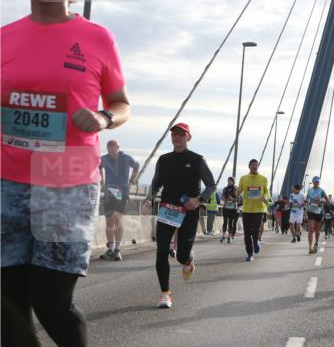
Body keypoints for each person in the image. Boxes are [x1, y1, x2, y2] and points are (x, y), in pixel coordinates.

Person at [1, 0, 130, 347]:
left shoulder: (96, 38)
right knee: (7, 304)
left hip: (68, 182)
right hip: (8, 182)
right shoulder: (5, 37)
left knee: (49, 300)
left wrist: (100, 116)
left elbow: (120, 103)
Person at [143, 123, 215, 308]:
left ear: (188, 137)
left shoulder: (197, 159)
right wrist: (149, 199)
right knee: (161, 251)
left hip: (189, 211)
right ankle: (165, 294)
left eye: (181, 134)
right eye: (174, 134)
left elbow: (211, 185)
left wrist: (198, 200)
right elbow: (155, 183)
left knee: (181, 256)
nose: (177, 137)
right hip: (168, 209)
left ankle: (188, 260)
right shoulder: (164, 159)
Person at [99, 139, 139, 261]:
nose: (110, 148)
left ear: (118, 147)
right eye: (108, 146)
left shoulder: (127, 158)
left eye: (112, 146)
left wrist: (132, 180)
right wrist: (102, 182)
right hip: (109, 193)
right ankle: (110, 249)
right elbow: (98, 168)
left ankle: (117, 249)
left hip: (122, 192)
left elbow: (136, 166)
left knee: (118, 219)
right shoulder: (104, 158)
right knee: (109, 221)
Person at [237, 159, 270, 261]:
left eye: (256, 165)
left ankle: (256, 242)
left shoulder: (263, 179)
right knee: (247, 233)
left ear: (258, 167)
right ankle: (250, 254)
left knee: (255, 231)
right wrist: (237, 193)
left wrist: (265, 197)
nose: (254, 167)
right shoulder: (244, 178)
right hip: (246, 209)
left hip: (259, 209)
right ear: (249, 166)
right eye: (252, 165)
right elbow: (239, 191)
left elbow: (267, 192)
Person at [305, 175, 326, 253]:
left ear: (319, 182)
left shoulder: (322, 191)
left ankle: (316, 243)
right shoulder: (309, 190)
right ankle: (310, 247)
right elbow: (307, 198)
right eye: (315, 181)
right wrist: (307, 201)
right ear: (313, 182)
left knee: (317, 230)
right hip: (310, 211)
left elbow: (327, 202)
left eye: (317, 181)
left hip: (319, 212)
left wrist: (320, 200)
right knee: (311, 229)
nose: (316, 183)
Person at [220, 176, 238, 243]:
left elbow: (239, 199)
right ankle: (223, 236)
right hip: (226, 208)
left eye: (231, 181)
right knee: (225, 222)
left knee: (231, 223)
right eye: (228, 181)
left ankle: (229, 237)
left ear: (233, 182)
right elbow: (222, 197)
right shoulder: (225, 189)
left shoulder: (236, 189)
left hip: (233, 209)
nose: (229, 182)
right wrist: (226, 199)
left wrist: (233, 199)